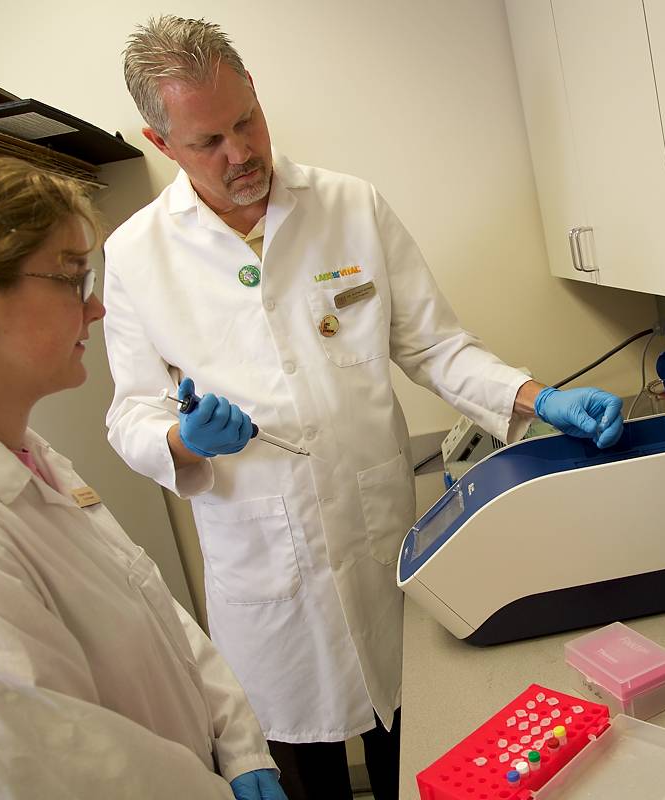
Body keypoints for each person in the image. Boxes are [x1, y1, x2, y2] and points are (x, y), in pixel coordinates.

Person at [105, 16, 624, 798]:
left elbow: (434, 346)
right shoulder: (136, 255)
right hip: (265, 576)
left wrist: (535, 396)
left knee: (412, 749)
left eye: (247, 120)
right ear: (159, 141)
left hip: (381, 542)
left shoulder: (350, 206)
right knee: (308, 771)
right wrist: (182, 439)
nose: (241, 152)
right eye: (209, 140)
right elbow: (127, 417)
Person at [0, 157, 287, 800]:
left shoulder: (27, 456)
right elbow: (64, 776)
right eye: (72, 277)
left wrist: (235, 745)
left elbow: (150, 605)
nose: (95, 307)